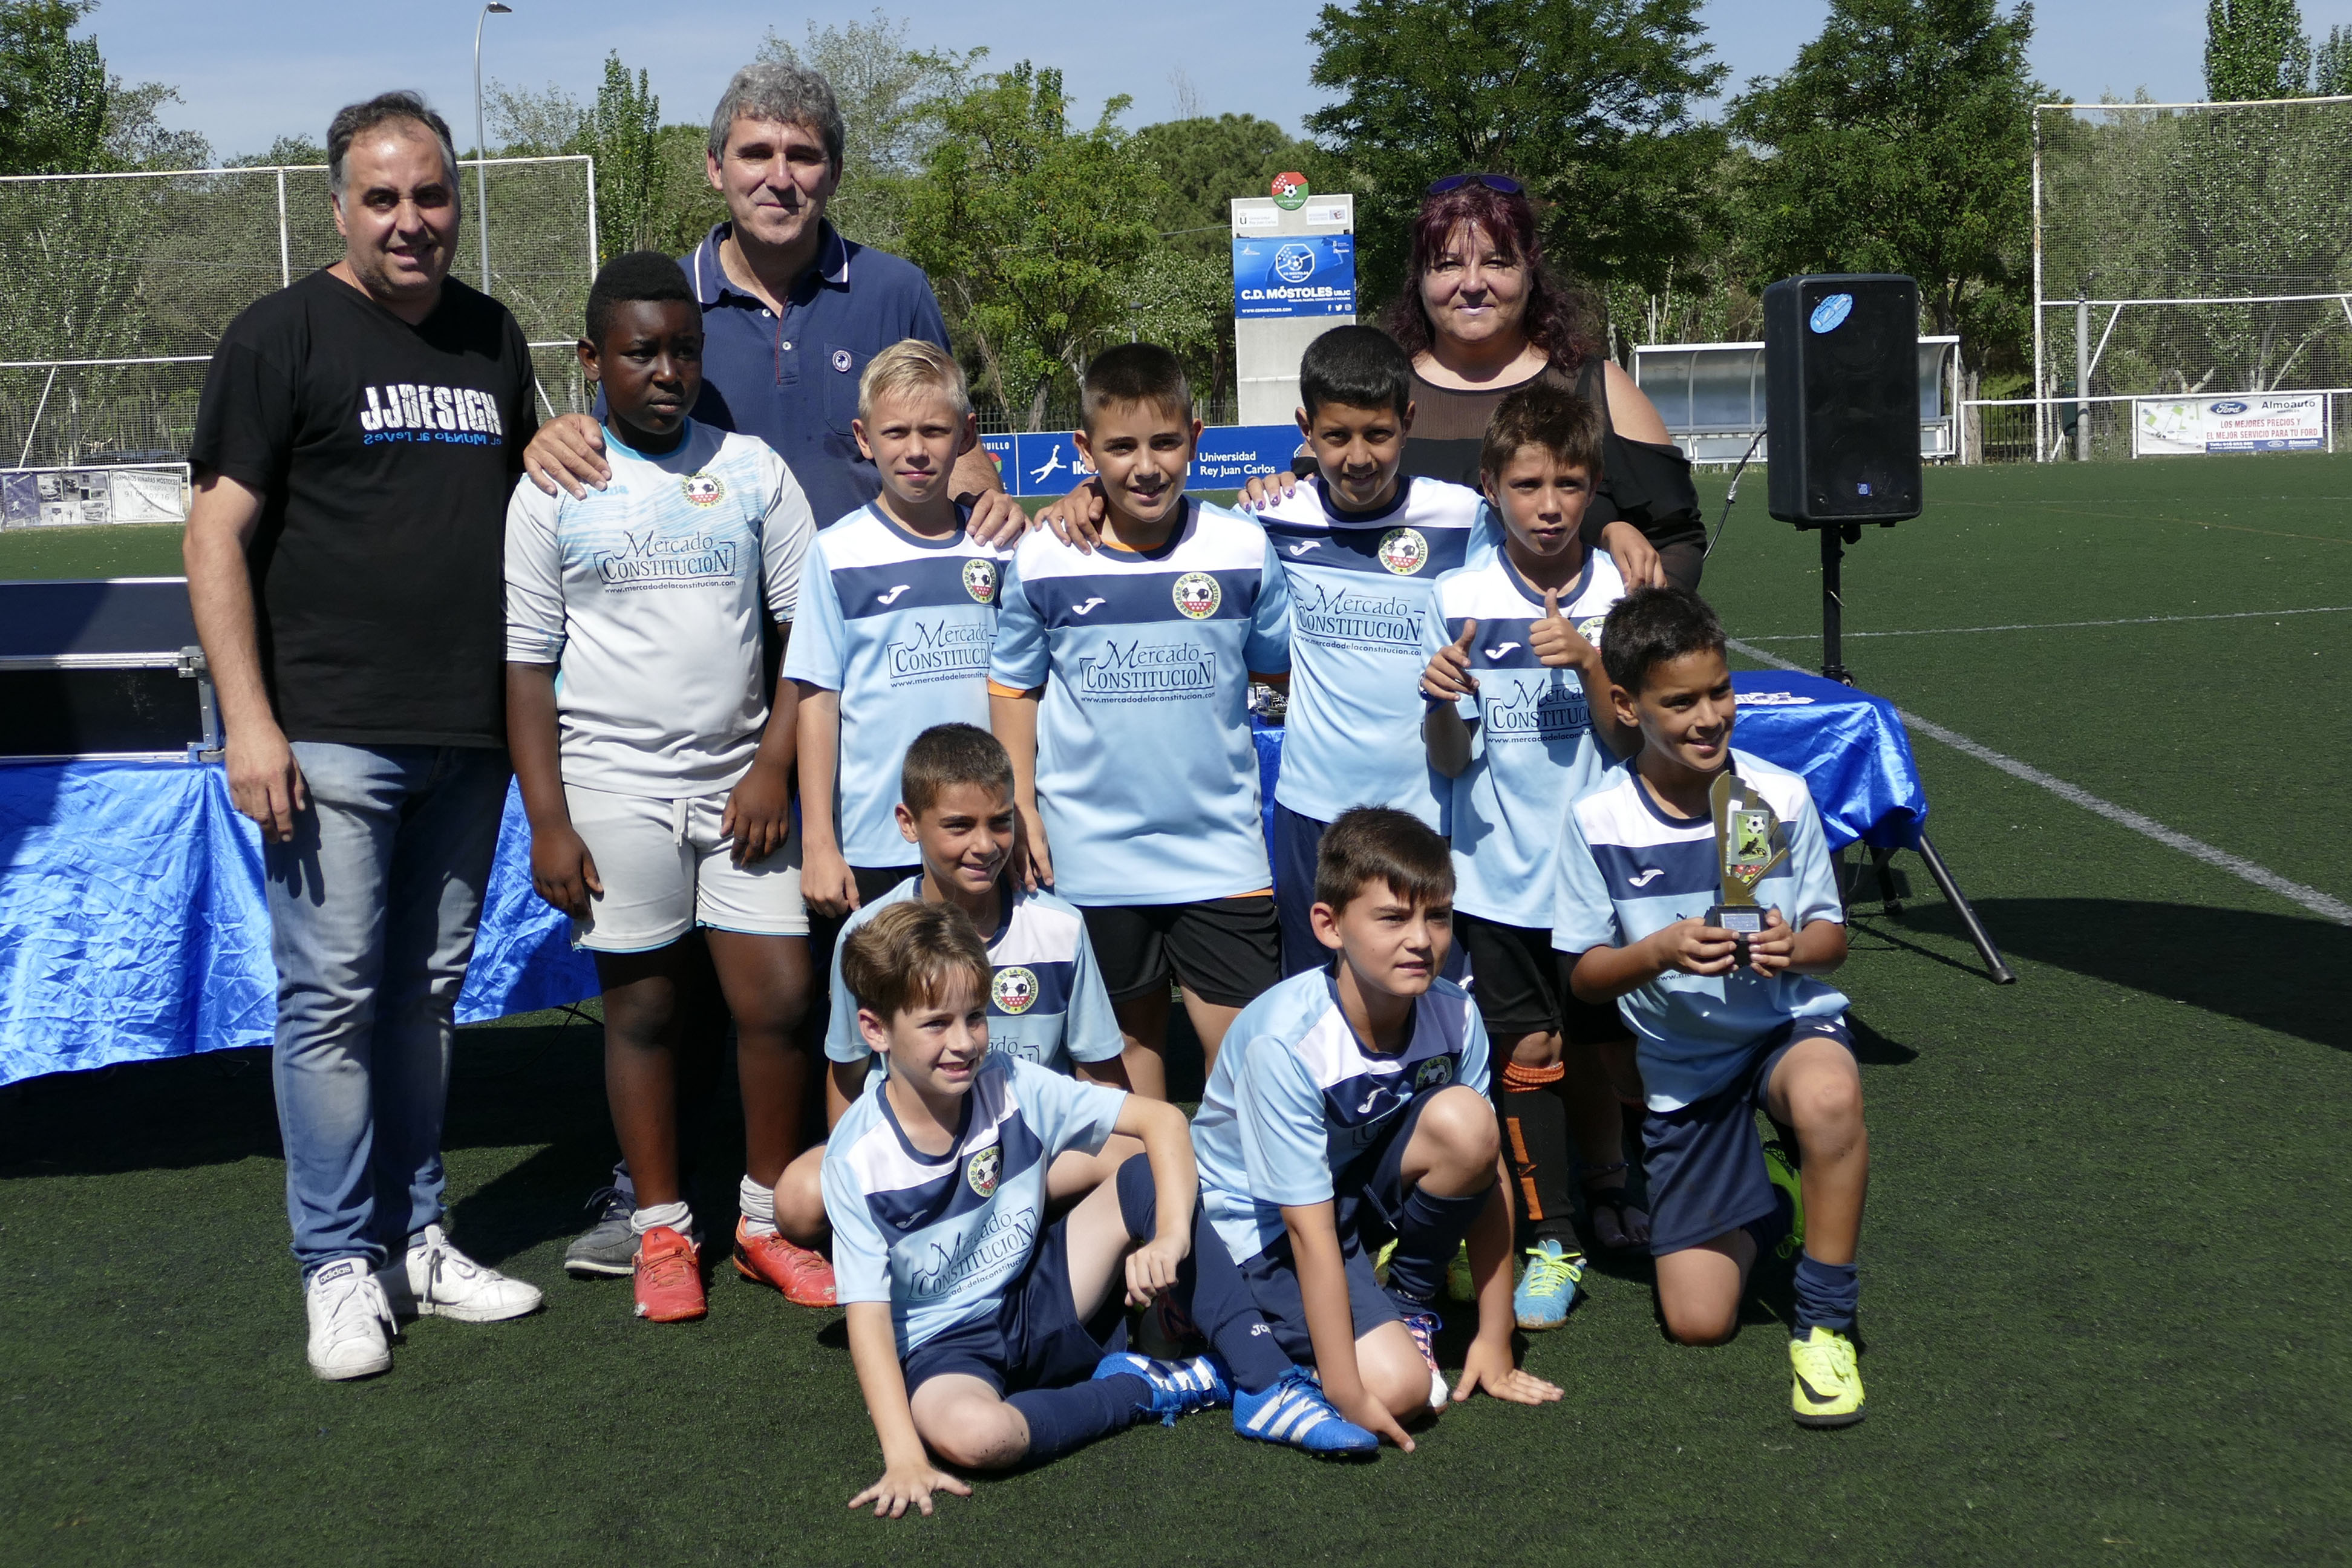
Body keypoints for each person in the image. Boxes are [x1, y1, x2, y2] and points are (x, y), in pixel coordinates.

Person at [183, 91, 543, 1380]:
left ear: (456, 202)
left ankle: (415, 1238)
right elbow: (213, 534)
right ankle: (337, 1263)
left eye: (430, 194)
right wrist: (250, 721)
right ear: (339, 207)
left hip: (468, 733)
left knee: (426, 997)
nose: (409, 219)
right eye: (382, 197)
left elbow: (527, 500)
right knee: (330, 998)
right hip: (330, 733)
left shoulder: (492, 335)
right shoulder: (278, 334)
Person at [505, 250, 824, 1322]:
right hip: (613, 784)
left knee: (777, 999)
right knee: (643, 1010)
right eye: (641, 352)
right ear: (592, 359)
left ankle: (765, 1222)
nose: (667, 371)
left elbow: (806, 636)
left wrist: (772, 763)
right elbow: (525, 665)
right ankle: (661, 1229)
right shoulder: (552, 488)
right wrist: (548, 821)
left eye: (684, 350)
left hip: (741, 783)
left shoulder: (752, 471)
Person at [1553, 586, 1867, 1428]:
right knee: (1698, 1322)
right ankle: (1772, 1199)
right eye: (1680, 702)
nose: (1709, 717)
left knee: (1829, 1094)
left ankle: (1825, 1323)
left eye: (1720, 691)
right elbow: (1585, 978)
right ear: (1627, 706)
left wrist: (1792, 946)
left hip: (1784, 1026)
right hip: (1683, 1062)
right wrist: (1658, 951)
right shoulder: (1598, 819)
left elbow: (1832, 938)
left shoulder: (1776, 796)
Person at [823, 901, 1225, 1518]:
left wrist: (1170, 1235)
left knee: (1143, 1167)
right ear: (875, 1031)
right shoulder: (856, 1159)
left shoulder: (1009, 1078)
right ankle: (1143, 1386)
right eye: (936, 1024)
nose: (964, 1043)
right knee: (979, 1438)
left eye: (975, 1017)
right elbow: (870, 1320)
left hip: (1035, 1291)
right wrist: (903, 1456)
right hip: (944, 1347)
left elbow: (1165, 1120)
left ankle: (1246, 1354)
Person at [518, 61, 1021, 546]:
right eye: (756, 154)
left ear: (835, 173)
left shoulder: (897, 291)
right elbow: (610, 447)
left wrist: (986, 502)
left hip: (867, 597)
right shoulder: (659, 304)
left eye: (802, 156)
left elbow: (956, 446)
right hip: (716, 600)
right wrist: (559, 438)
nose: (780, 179)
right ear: (716, 168)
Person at [1189, 808, 1563, 1452]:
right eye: (1392, 918)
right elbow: (1306, 1231)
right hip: (1261, 1225)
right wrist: (1347, 1391)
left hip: (1343, 1197)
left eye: (1438, 916)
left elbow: (1489, 1169)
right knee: (1396, 1391)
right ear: (1329, 926)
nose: (1421, 940)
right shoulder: (1289, 1040)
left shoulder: (1456, 1012)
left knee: (1468, 1123)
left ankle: (1409, 1302)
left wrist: (1495, 1336)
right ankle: (1220, 1349)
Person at [988, 344, 1291, 1101]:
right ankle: (1154, 1185)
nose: (1146, 467)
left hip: (1221, 851)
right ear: (1084, 450)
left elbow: (1275, 670)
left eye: (1165, 443)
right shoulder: (1046, 557)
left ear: (1196, 438)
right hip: (1092, 856)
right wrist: (1021, 804)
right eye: (1121, 447)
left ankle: (1238, 1186)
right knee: (1126, 1068)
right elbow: (1015, 688)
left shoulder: (1241, 546)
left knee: (1251, 1060)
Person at [1416, 383, 1642, 1333]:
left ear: (1594, 487)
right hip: (1499, 878)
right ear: (1491, 487)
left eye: (1570, 485)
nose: (1549, 506)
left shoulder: (1622, 593)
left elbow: (1633, 744)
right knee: (1531, 1051)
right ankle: (1557, 1237)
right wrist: (1440, 701)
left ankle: (1619, 1185)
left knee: (1611, 1049)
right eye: (1527, 485)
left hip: (1606, 879)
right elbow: (1449, 760)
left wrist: (1590, 664)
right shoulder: (1457, 598)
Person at [769, 722, 1130, 1246]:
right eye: (959, 826)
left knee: (1135, 1152)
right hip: (914, 1159)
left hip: (1028, 1151)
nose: (984, 845)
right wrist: (859, 1169)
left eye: (1000, 822)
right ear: (908, 823)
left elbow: (1101, 1078)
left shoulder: (1060, 928)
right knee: (799, 1198)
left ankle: (1000, 1222)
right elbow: (848, 1073)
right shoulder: (867, 934)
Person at [1246, 324, 1486, 977]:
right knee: (1318, 990)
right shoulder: (1273, 516)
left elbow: (1547, 541)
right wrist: (1086, 497)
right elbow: (1177, 538)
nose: (1358, 457)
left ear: (1408, 421)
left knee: (1427, 989)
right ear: (1306, 428)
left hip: (1428, 809)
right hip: (1313, 810)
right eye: (1336, 436)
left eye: (1378, 434)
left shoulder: (1463, 517)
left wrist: (1618, 527)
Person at [788, 341, 1009, 987]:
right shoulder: (835, 554)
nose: (916, 450)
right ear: (865, 439)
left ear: (966, 434)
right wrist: (820, 843)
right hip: (877, 841)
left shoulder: (1000, 548)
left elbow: (1023, 692)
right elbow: (817, 704)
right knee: (885, 1013)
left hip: (984, 837)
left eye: (935, 431)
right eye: (896, 433)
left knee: (986, 1006)